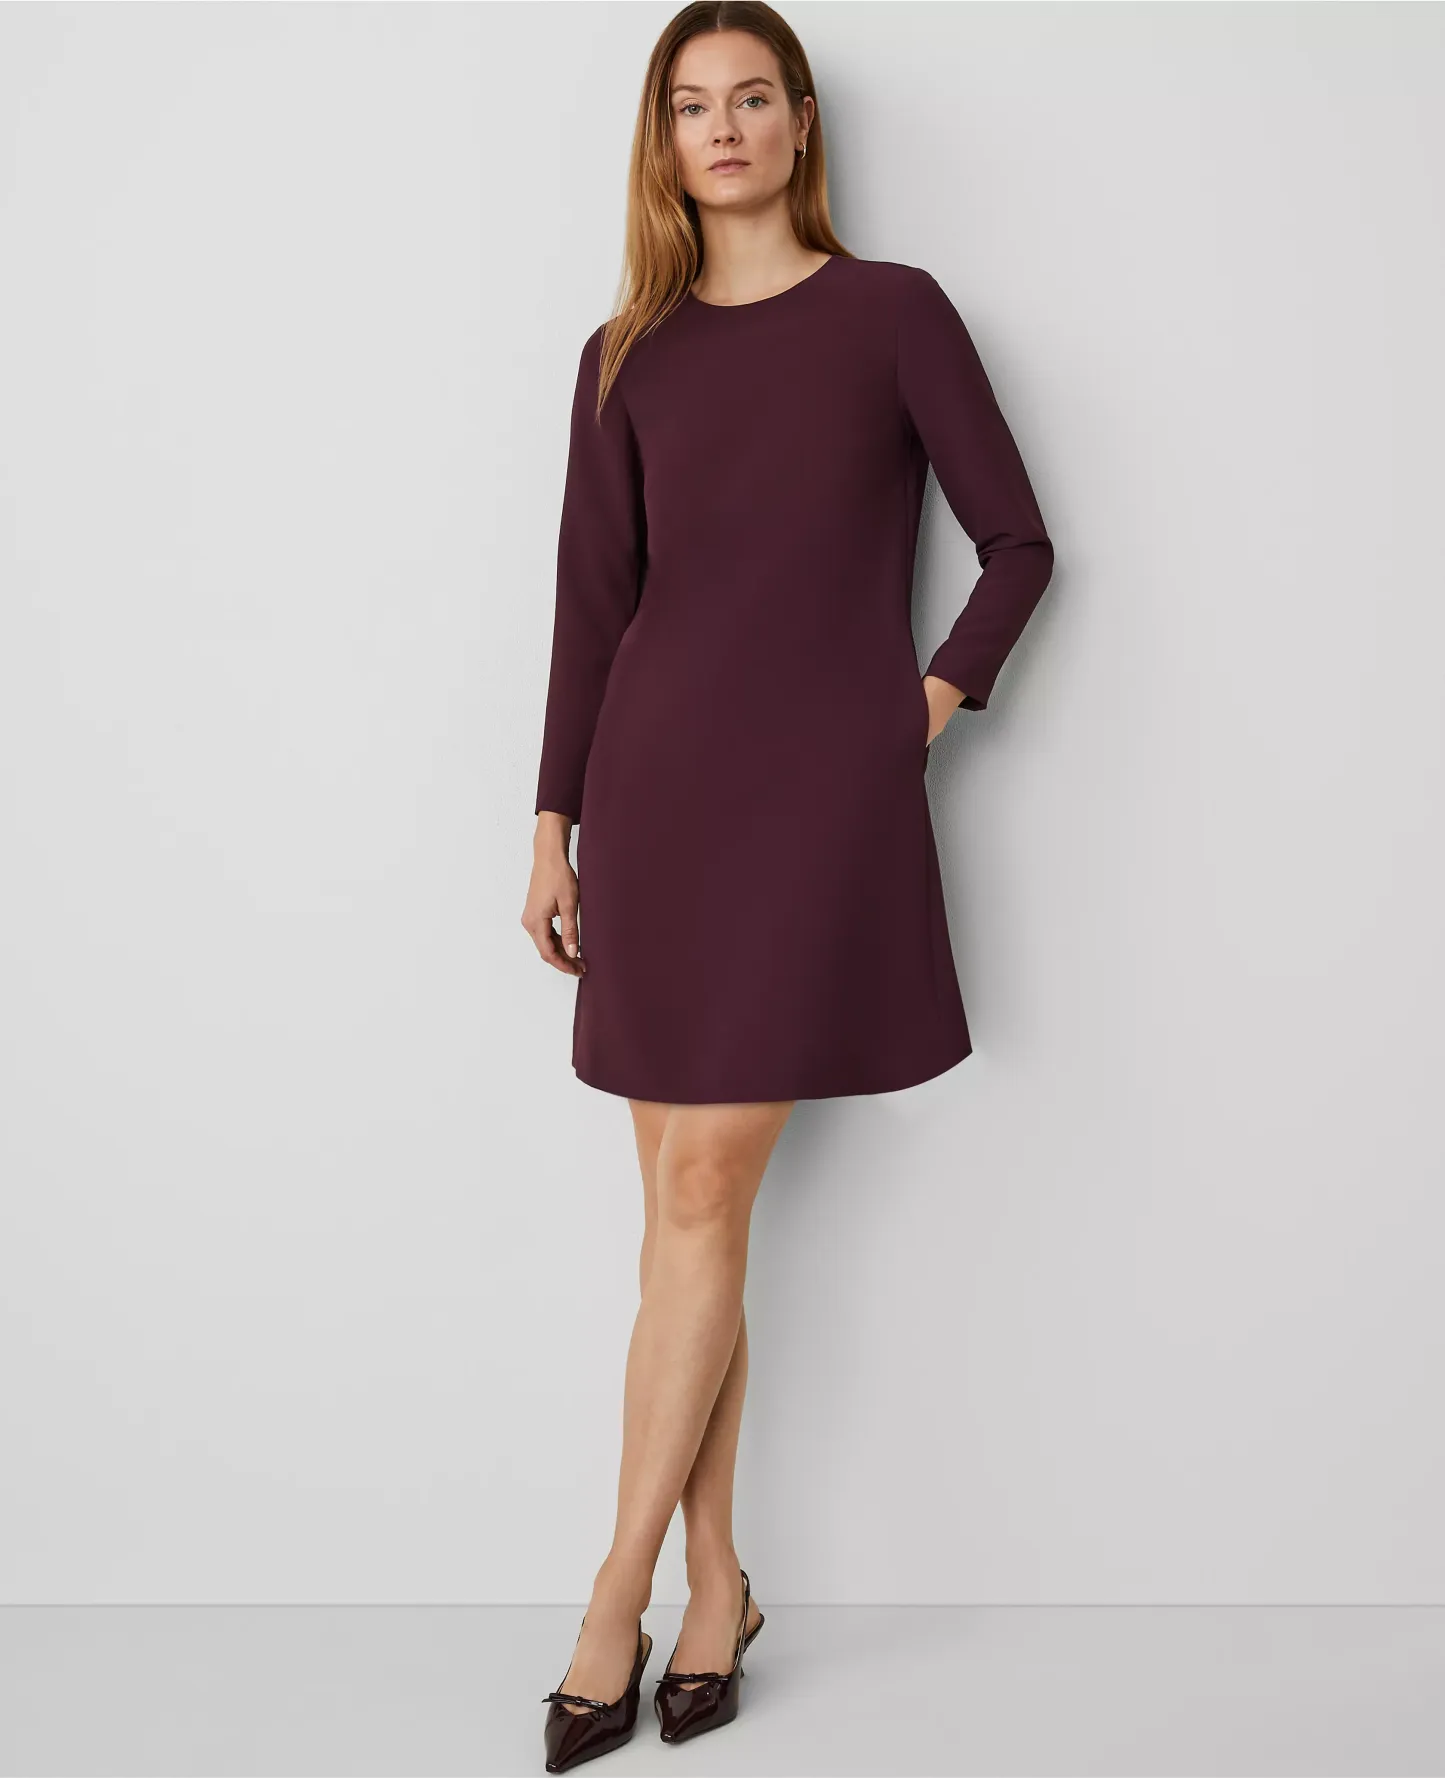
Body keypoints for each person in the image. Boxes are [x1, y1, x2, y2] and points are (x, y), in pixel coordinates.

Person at [521, 2, 1055, 1767]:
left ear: (802, 122)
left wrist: (917, 710)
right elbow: (593, 603)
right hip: (656, 800)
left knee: (699, 1197)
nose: (727, 127)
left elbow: (1019, 542)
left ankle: (610, 1596)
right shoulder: (626, 355)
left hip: (814, 806)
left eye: (754, 97)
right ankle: (719, 1583)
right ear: (665, 140)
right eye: (694, 105)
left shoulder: (893, 313)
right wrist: (553, 823)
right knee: (690, 1214)